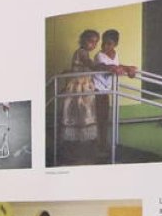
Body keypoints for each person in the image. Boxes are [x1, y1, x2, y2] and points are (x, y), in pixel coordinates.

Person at [93, 29, 137, 152]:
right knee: (100, 118)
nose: (105, 46)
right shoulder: (99, 55)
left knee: (104, 118)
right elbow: (103, 66)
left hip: (106, 90)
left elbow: (117, 65)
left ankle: (103, 144)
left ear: (115, 44)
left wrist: (128, 68)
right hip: (97, 90)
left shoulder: (115, 54)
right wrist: (114, 68)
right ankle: (101, 146)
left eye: (109, 44)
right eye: (104, 43)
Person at [59, 30, 100, 161]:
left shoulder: (83, 53)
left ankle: (80, 146)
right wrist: (102, 67)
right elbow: (88, 63)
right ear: (83, 41)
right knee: (79, 112)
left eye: (96, 42)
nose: (93, 44)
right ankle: (75, 149)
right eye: (91, 41)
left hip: (84, 86)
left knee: (83, 114)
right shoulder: (81, 52)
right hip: (78, 88)